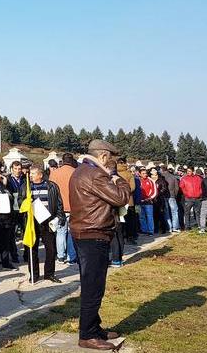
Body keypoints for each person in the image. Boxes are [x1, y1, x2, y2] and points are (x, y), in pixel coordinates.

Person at [69, 139, 130, 351]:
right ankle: (87, 335)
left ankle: (94, 328)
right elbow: (121, 197)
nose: (112, 163)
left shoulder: (80, 170)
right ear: (103, 156)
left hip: (85, 232)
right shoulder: (95, 174)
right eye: (111, 158)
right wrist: (116, 177)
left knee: (93, 284)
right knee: (92, 287)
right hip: (92, 234)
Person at [19, 165, 64, 283]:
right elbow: (19, 201)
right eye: (30, 173)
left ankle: (49, 274)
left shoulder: (52, 186)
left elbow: (59, 203)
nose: (31, 176)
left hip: (47, 221)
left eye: (33, 174)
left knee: (51, 249)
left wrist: (60, 217)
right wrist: (25, 202)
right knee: (32, 249)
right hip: (32, 221)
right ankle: (34, 274)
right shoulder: (26, 186)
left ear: (40, 175)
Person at [50, 153, 76, 264]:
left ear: (62, 160)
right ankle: (71, 256)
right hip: (73, 206)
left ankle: (61, 256)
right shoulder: (75, 173)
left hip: (58, 207)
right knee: (71, 233)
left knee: (60, 232)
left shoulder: (55, 173)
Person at [5, 161, 24, 265]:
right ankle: (14, 255)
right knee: (12, 234)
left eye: (19, 169)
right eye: (15, 169)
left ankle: (27, 254)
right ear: (12, 169)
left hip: (22, 208)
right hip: (12, 210)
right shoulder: (7, 180)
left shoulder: (25, 179)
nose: (17, 171)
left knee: (25, 232)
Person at [160, 165, 180, 232]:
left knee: (166, 212)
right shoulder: (173, 177)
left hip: (163, 196)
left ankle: (169, 227)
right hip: (172, 196)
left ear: (161, 170)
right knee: (174, 212)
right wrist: (175, 195)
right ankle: (175, 227)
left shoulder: (160, 177)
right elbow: (177, 188)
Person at [137, 168, 156, 235]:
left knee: (149, 216)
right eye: (143, 173)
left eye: (146, 173)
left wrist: (149, 198)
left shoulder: (151, 180)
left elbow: (154, 191)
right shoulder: (137, 180)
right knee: (141, 217)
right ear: (139, 174)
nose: (145, 175)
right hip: (140, 202)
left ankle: (151, 230)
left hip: (148, 202)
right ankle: (144, 230)